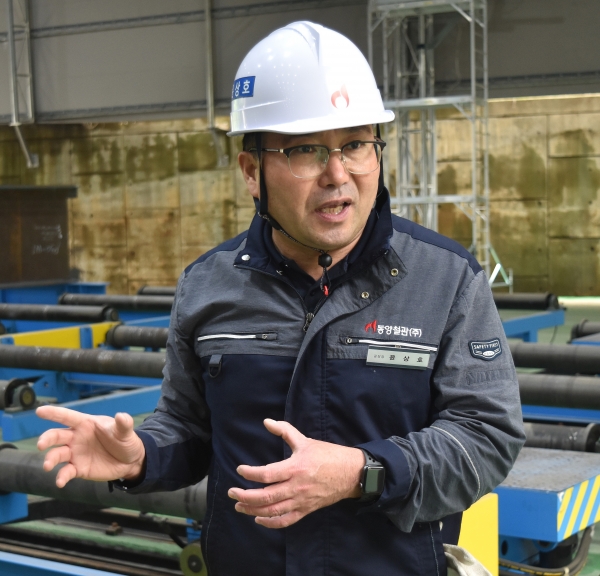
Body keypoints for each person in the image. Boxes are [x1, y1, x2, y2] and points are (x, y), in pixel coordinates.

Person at [37, 21, 525, 576]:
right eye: (306, 151)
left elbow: (487, 436)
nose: (337, 174)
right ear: (252, 172)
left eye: (356, 145)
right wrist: (142, 456)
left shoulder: (445, 280)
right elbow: (189, 429)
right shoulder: (208, 286)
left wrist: (364, 472)